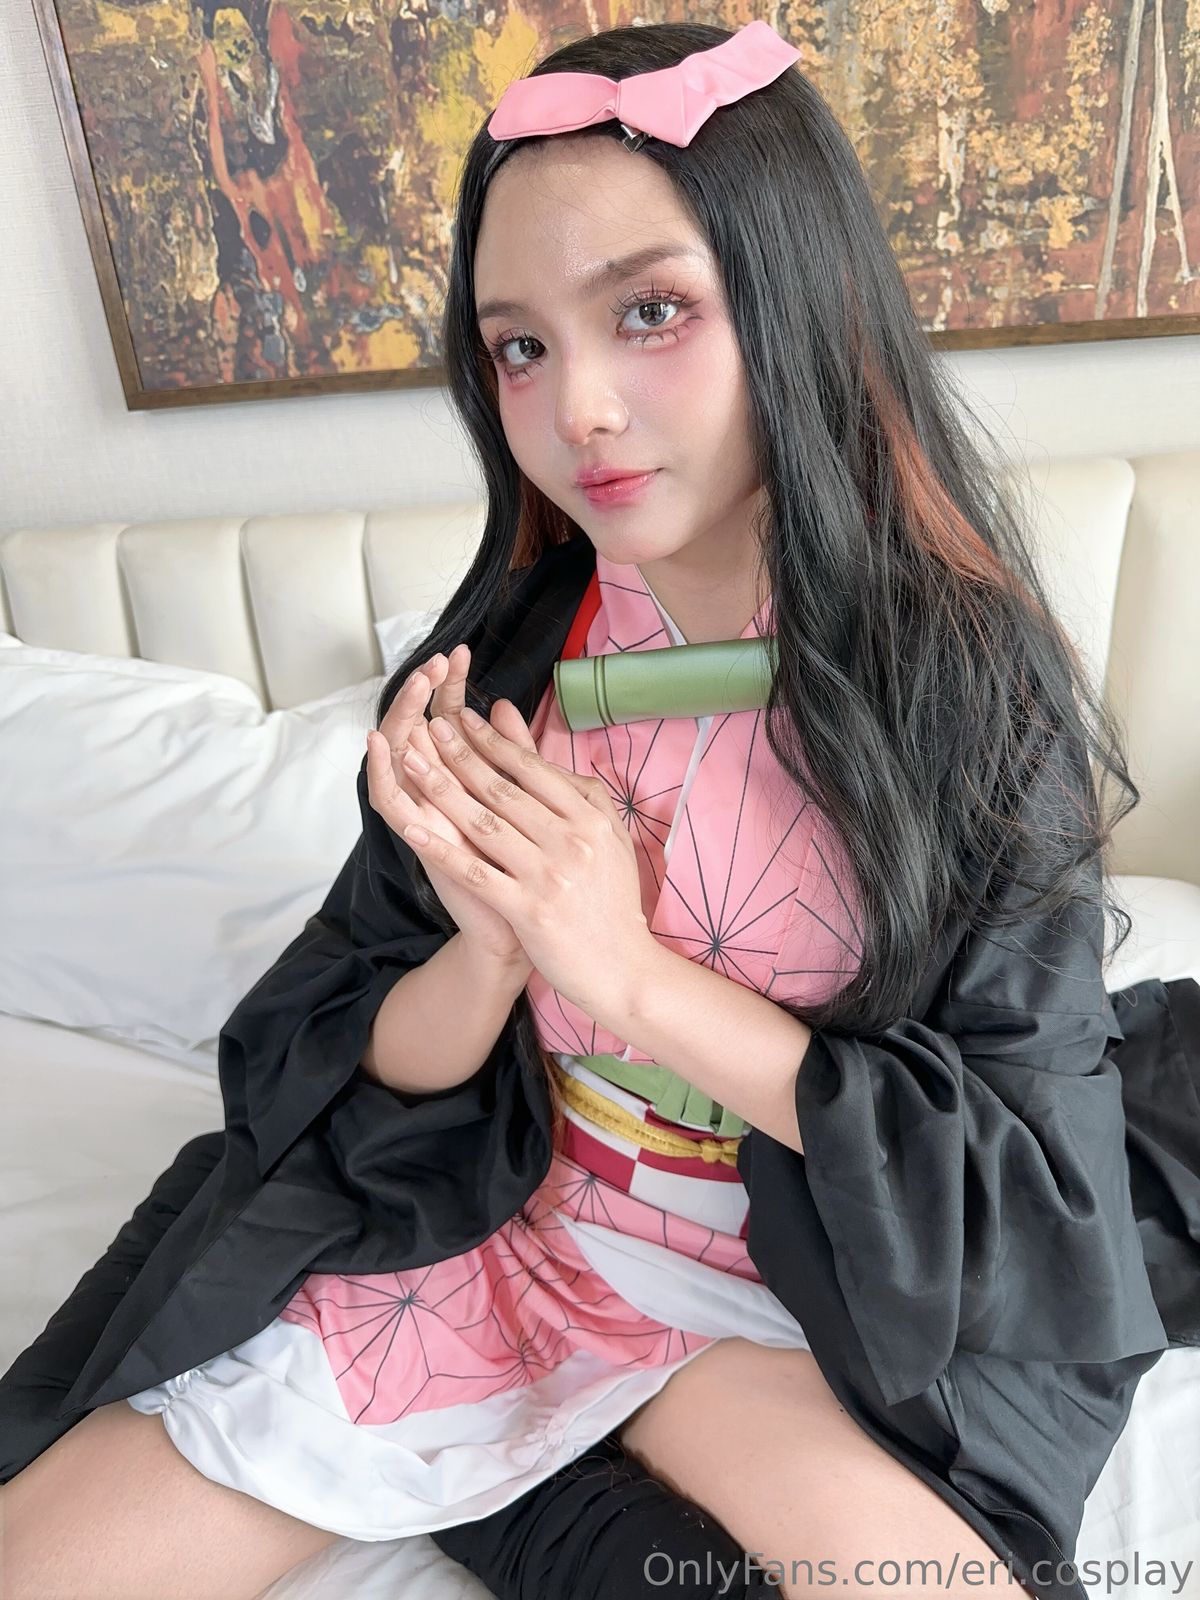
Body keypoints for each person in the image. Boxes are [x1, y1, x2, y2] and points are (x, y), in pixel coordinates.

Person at [3, 18, 1200, 1600]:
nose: (581, 408)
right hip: (500, 1227)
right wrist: (493, 945)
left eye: (650, 312)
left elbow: (1019, 1180)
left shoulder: (965, 688)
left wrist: (625, 971)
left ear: (797, 296)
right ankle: (530, 1479)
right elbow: (345, 1058)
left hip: (797, 1291)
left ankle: (550, 1487)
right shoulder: (507, 653)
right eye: (520, 347)